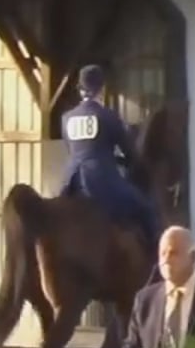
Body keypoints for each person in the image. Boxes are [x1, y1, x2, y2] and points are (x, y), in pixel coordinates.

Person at [60, 64, 159, 243]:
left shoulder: (66, 118)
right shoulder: (108, 116)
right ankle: (157, 261)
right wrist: (126, 163)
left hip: (71, 182)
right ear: (102, 89)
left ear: (80, 89)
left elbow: (75, 151)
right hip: (102, 182)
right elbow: (130, 155)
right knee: (147, 209)